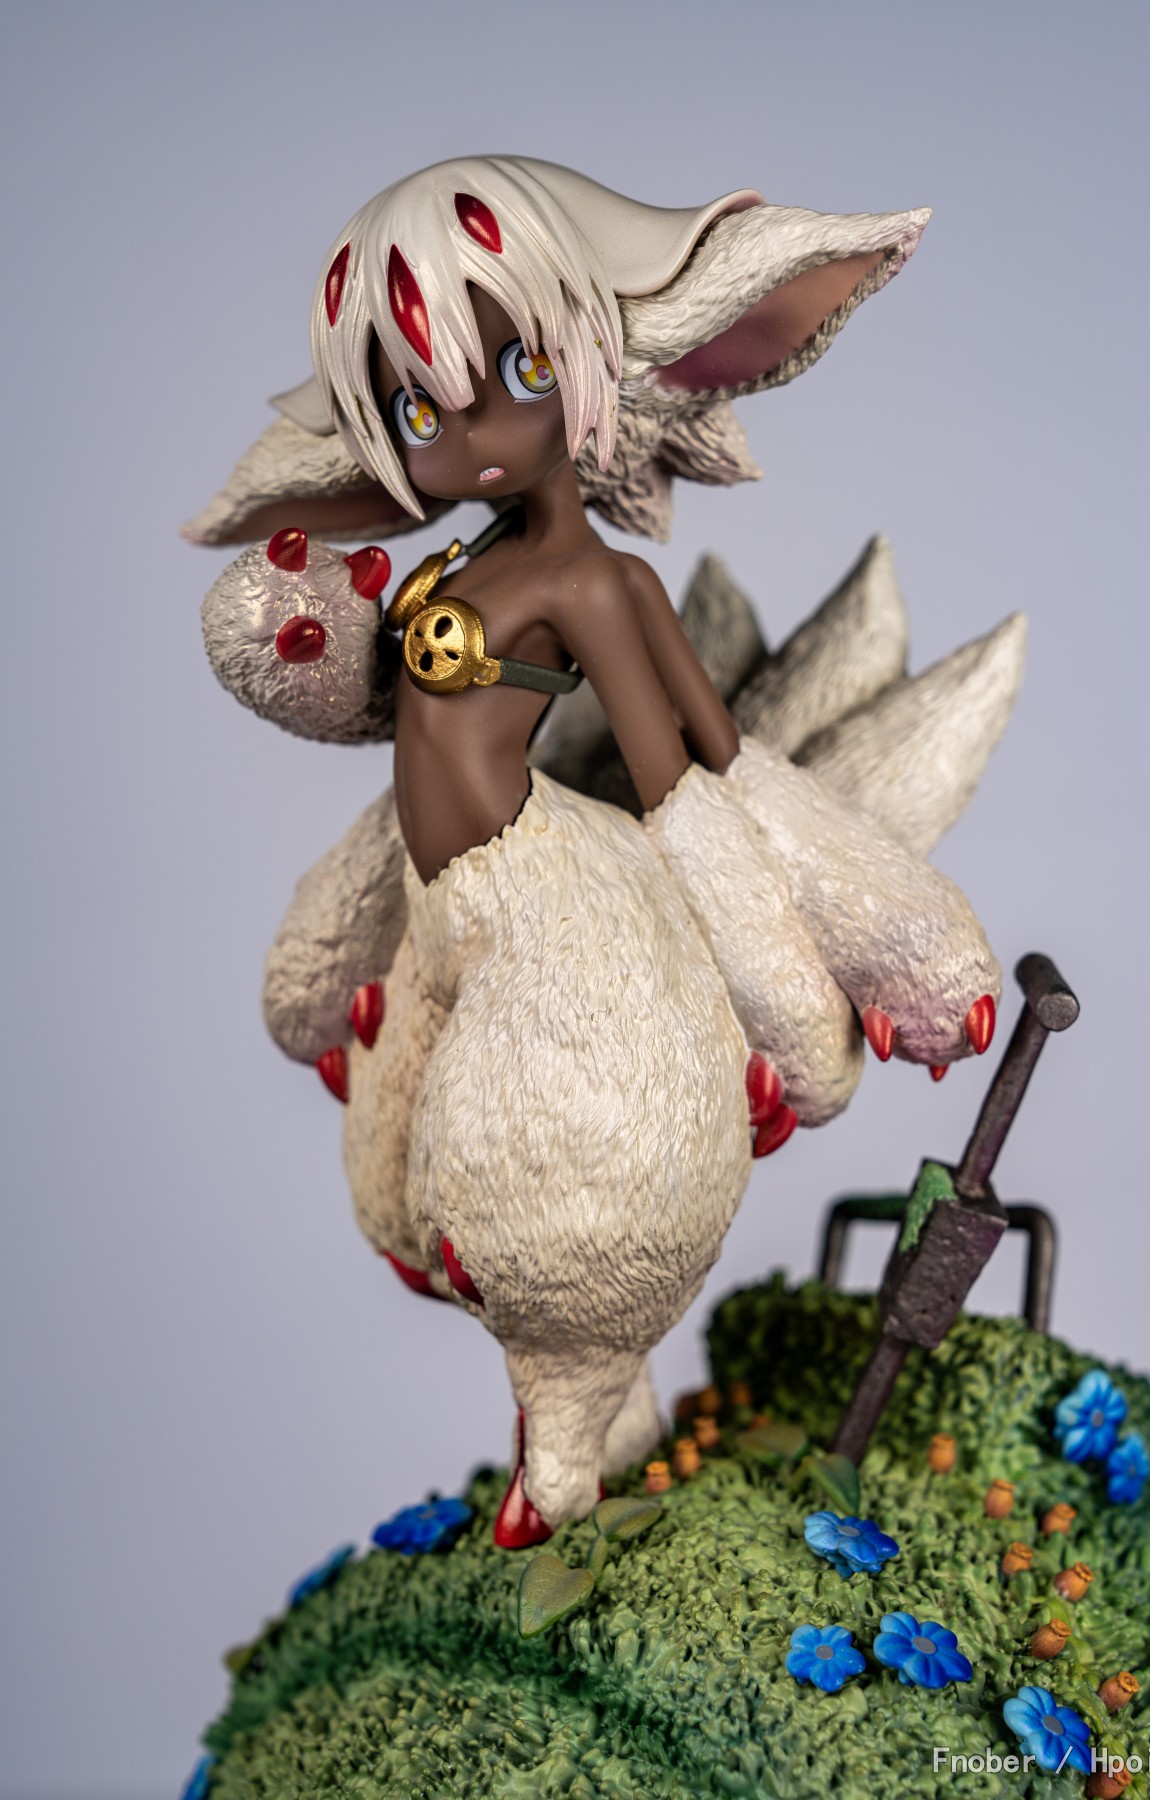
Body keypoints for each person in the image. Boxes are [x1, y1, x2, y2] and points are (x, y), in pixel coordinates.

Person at [188, 157, 1011, 1544]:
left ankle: (568, 1450)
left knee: (551, 1201)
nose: (470, 436)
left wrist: (797, 1005)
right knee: (418, 1172)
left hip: (551, 905)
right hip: (450, 902)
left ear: (587, 363)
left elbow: (690, 775)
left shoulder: (590, 582)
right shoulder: (462, 567)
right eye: (417, 410)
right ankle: (602, 1426)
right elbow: (389, 721)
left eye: (515, 372)